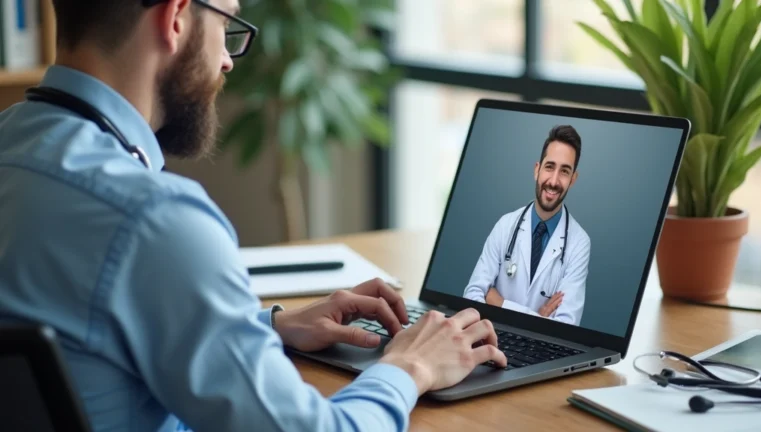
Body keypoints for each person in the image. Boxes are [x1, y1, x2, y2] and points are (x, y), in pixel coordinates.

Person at [0, 1, 509, 431]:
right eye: (226, 24)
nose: (227, 59)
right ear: (176, 17)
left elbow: (90, 335)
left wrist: (265, 327)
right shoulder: (153, 219)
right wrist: (410, 366)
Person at [463, 125, 591, 326]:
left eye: (564, 171)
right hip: (491, 337)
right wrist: (538, 317)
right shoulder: (505, 225)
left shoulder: (579, 243)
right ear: (537, 170)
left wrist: (499, 303)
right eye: (549, 167)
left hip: (537, 346)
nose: (554, 181)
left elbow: (566, 325)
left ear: (573, 180)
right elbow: (472, 296)